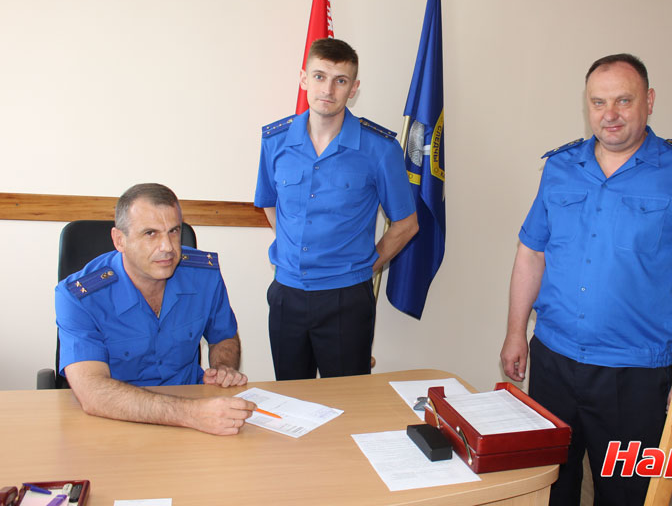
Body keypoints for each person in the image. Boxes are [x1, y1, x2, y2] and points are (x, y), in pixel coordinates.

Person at [500, 54, 672, 505]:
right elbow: (531, 253)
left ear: (649, 101)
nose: (610, 114)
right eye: (598, 102)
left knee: (626, 495)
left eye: (624, 100)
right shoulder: (560, 167)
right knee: (549, 487)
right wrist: (515, 333)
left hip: (634, 376)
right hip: (553, 362)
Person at [255, 38, 418, 381]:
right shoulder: (275, 142)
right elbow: (269, 203)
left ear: (353, 88)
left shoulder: (379, 148)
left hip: (346, 298)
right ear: (304, 79)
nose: (328, 90)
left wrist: (365, 266)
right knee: (291, 398)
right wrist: (292, 247)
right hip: (287, 294)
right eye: (319, 76)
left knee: (348, 401)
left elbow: (407, 224)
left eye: (340, 80)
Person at [56, 183, 255, 436]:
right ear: (119, 240)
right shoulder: (79, 296)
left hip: (192, 414)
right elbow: (93, 391)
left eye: (174, 231)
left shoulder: (203, 275)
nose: (167, 247)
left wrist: (223, 367)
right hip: (114, 421)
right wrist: (191, 414)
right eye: (151, 233)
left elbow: (224, 336)